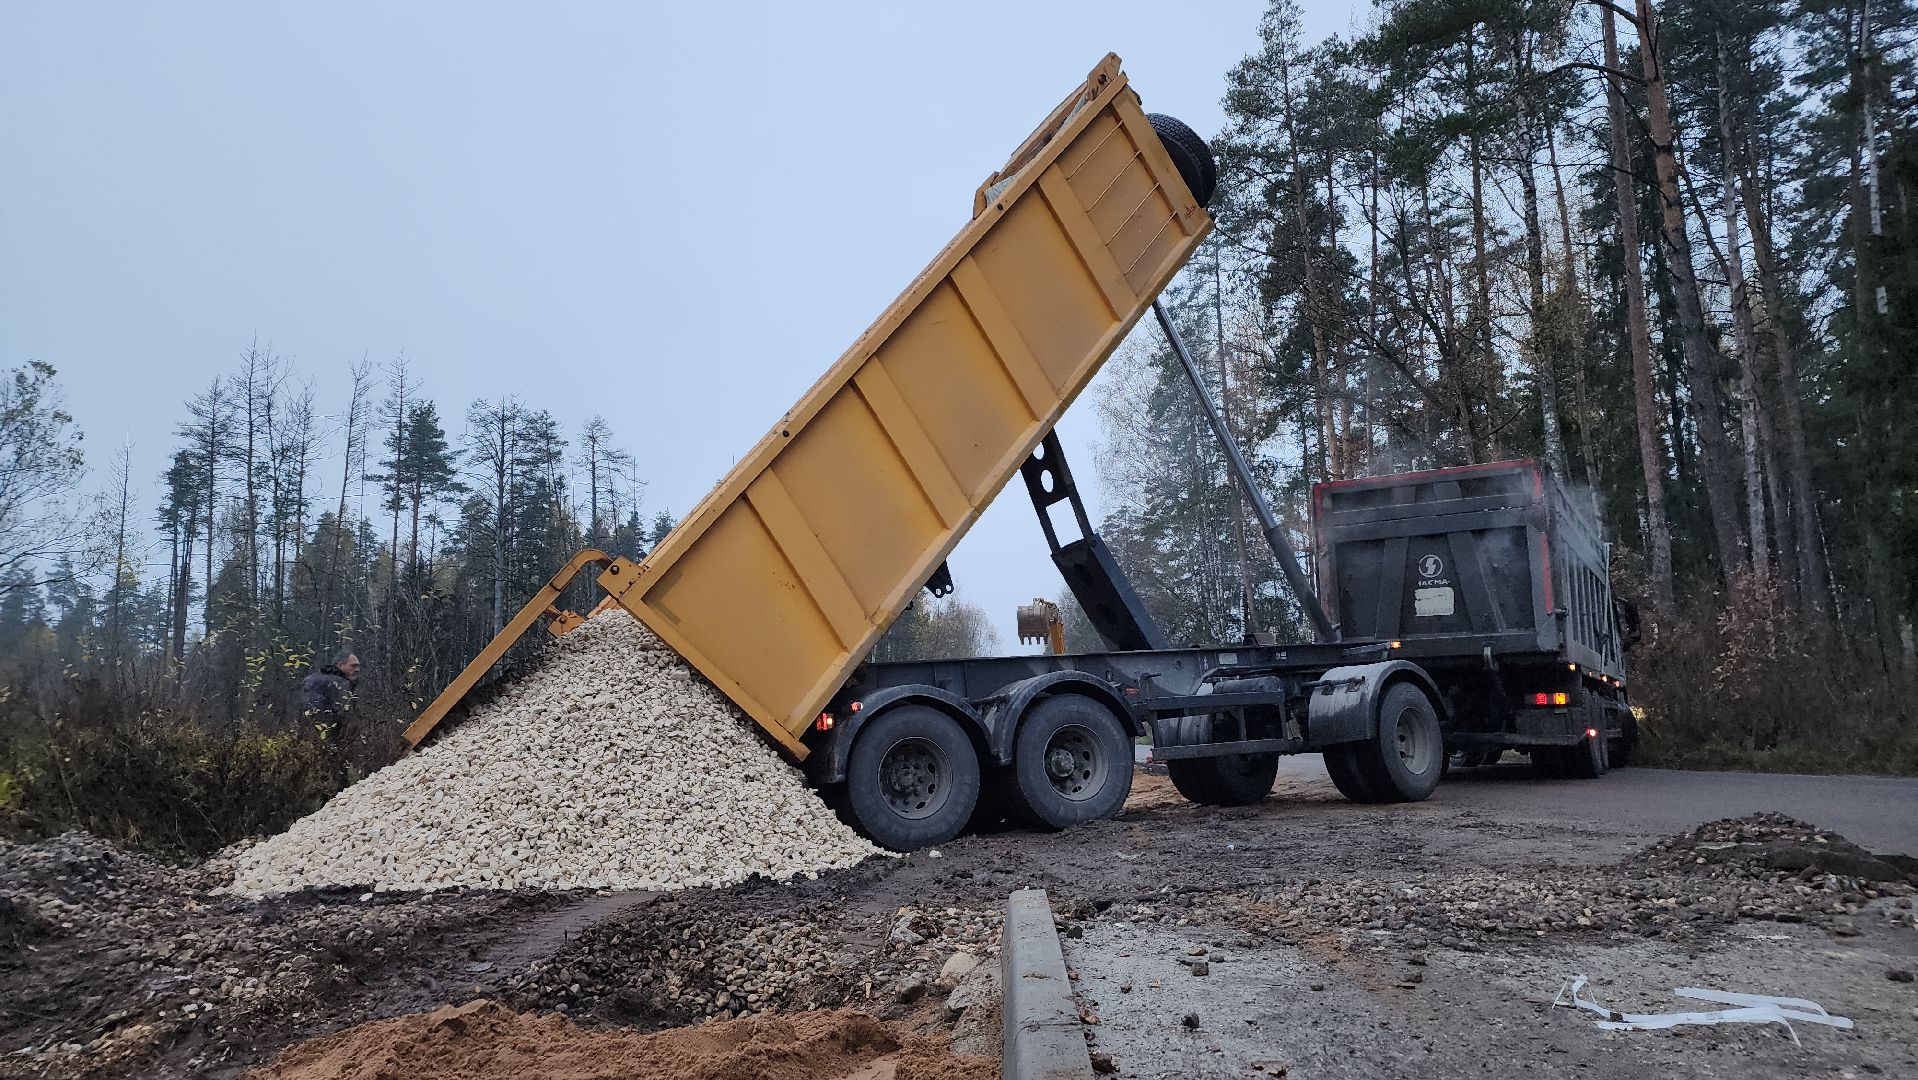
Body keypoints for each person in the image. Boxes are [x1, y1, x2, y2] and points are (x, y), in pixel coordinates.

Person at [301, 652, 360, 723]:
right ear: (340, 665)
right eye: (353, 666)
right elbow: (342, 712)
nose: (357, 669)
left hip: (303, 723)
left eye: (357, 666)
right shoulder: (340, 682)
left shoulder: (311, 678)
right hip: (325, 725)